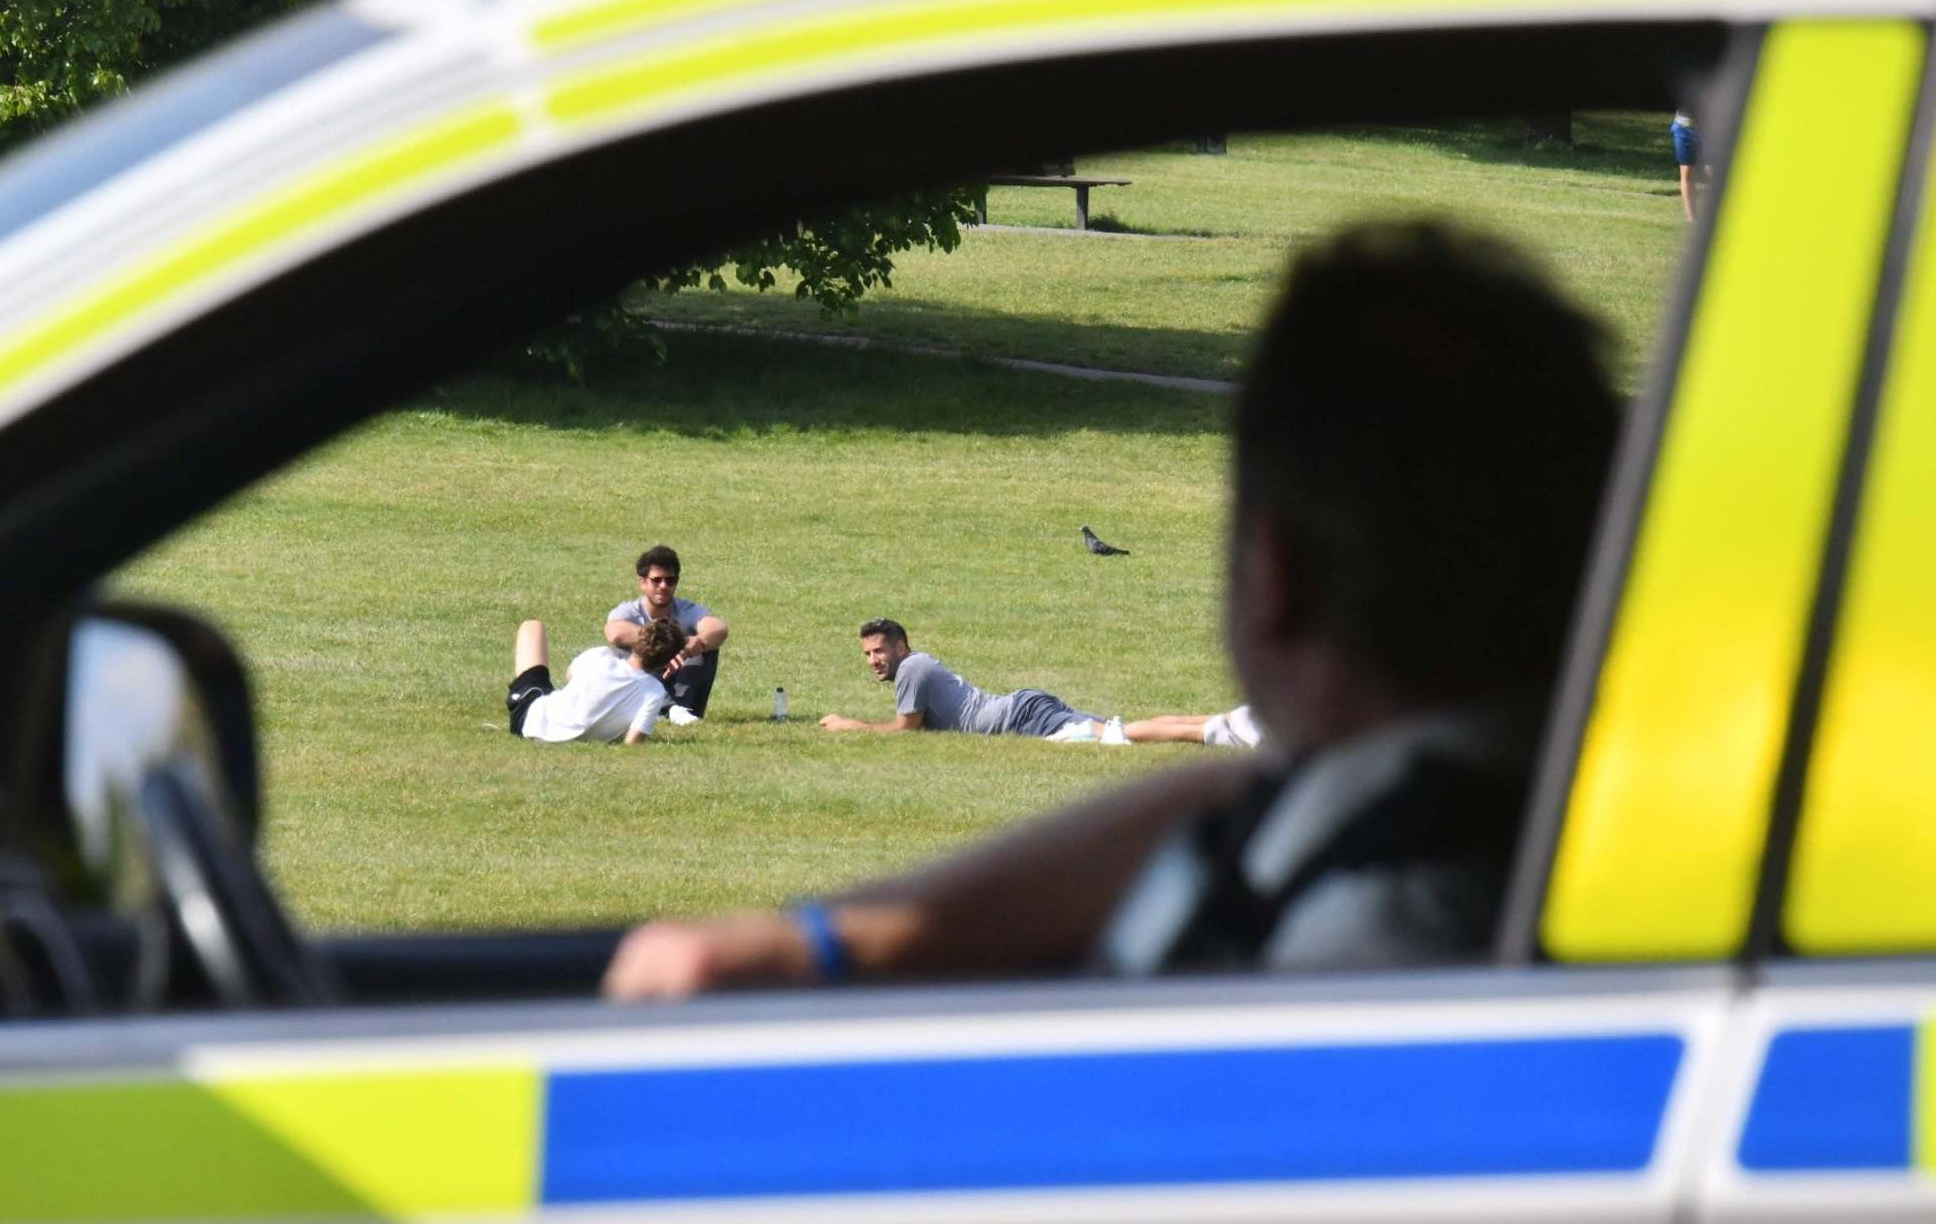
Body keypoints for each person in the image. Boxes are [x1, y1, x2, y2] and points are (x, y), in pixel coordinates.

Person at [603, 220, 1621, 998]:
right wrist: (820, 941)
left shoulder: (1353, 934)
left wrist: (817, 945)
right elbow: (1220, 806)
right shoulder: (1537, 800)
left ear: (1272, 572)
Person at [819, 619, 1253, 747]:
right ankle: (1229, 720)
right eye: (867, 654)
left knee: (1118, 737)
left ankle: (1212, 733)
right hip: (1024, 707)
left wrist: (847, 725)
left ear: (900, 646)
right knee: (1118, 728)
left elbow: (903, 731)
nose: (874, 660)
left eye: (879, 651)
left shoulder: (912, 669)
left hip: (1020, 718)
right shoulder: (919, 666)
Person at [507, 616, 686, 745]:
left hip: (531, 720)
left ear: (638, 639)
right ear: (665, 661)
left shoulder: (601, 655)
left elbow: (570, 675)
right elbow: (633, 742)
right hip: (548, 732)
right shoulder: (654, 692)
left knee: (532, 625)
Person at [605, 545, 728, 724]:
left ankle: (681, 710)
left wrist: (697, 642)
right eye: (657, 580)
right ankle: (668, 710)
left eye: (670, 581)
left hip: (680, 682)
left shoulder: (686, 610)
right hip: (646, 681)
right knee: (621, 651)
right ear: (643, 582)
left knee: (706, 647)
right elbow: (614, 633)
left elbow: (719, 628)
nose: (663, 586)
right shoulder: (629, 612)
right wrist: (670, 643)